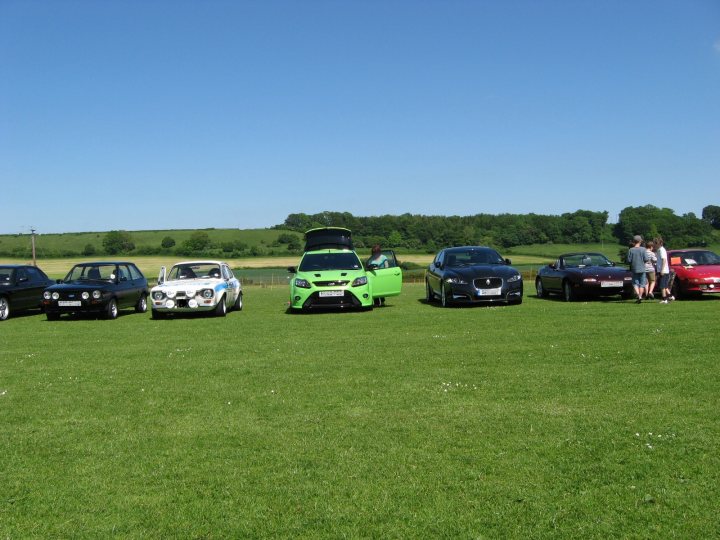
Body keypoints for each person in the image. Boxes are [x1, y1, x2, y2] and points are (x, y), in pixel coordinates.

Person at [626, 235, 650, 303]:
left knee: (635, 283)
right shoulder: (643, 249)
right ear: (640, 241)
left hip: (634, 269)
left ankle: (639, 296)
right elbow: (646, 259)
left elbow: (629, 260)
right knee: (642, 283)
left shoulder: (631, 250)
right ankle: (640, 295)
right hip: (642, 268)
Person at [655, 237, 673, 304]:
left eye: (655, 243)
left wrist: (662, 270)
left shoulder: (661, 250)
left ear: (658, 243)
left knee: (662, 286)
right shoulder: (659, 250)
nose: (654, 245)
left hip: (663, 270)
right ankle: (670, 296)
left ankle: (664, 299)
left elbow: (664, 259)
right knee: (665, 285)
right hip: (662, 270)